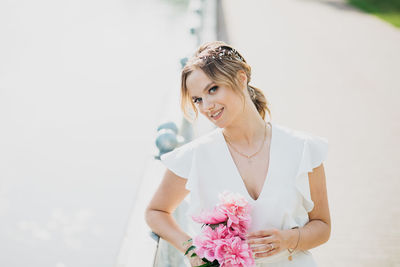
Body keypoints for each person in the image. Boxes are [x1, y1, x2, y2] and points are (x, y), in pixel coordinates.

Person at [145, 41, 331, 266]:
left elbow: (322, 225)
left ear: (241, 78)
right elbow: (156, 211)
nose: (206, 106)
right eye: (198, 100)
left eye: (213, 89)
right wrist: (193, 251)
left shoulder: (302, 148)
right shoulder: (195, 156)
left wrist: (288, 239)